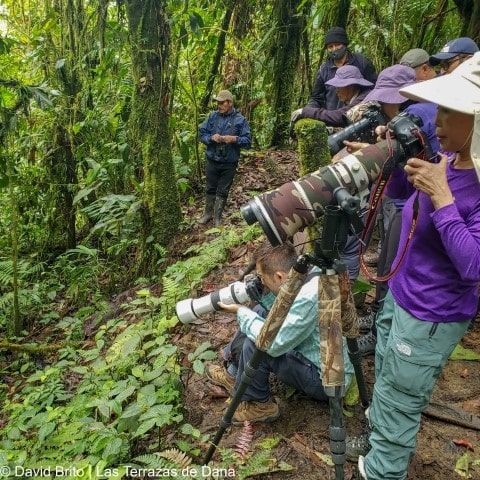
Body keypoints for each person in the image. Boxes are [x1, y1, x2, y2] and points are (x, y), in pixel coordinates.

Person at [353, 53, 480, 480]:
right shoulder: (450, 157)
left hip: (431, 313)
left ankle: (382, 470)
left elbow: (474, 265)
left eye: (451, 112)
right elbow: (409, 193)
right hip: (404, 294)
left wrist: (443, 198)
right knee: (387, 372)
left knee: (399, 396)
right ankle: (379, 437)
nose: (437, 121)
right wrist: (375, 161)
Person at [205, 241, 354, 424]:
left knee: (258, 342)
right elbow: (285, 312)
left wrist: (240, 311)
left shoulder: (308, 297)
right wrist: (263, 294)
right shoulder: (308, 270)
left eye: (261, 277)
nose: (259, 280)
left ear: (279, 276)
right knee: (259, 312)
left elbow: (272, 343)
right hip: (312, 354)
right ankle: (235, 373)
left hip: (325, 380)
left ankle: (259, 405)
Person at [198, 90, 252, 226]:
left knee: (223, 190)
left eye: (222, 103)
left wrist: (234, 139)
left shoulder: (240, 120)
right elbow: (202, 134)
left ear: (230, 103)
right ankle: (207, 214)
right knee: (210, 188)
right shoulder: (212, 117)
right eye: (218, 103)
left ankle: (217, 217)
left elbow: (248, 141)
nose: (219, 105)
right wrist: (211, 137)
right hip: (212, 159)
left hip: (229, 162)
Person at [306, 27, 377, 111]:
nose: (334, 49)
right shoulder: (324, 69)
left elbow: (373, 89)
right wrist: (308, 111)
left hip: (358, 116)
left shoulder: (362, 63)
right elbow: (316, 98)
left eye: (337, 45)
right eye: (330, 46)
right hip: (332, 118)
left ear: (345, 44)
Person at [290, 65, 373, 128]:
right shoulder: (359, 96)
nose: (336, 91)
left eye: (339, 87)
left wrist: (305, 112)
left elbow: (340, 117)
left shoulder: (365, 98)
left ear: (350, 86)